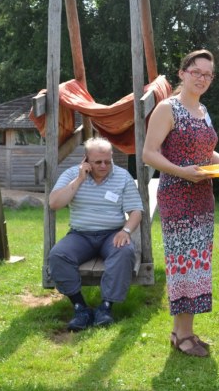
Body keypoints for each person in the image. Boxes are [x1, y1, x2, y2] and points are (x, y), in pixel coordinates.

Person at [143, 49, 219, 357]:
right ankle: (184, 335)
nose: (202, 78)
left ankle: (181, 332)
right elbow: (149, 153)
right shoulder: (167, 108)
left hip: (202, 195)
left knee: (197, 264)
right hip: (177, 194)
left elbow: (206, 153)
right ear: (182, 73)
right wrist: (182, 171)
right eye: (196, 72)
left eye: (208, 74)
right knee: (183, 265)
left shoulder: (202, 110)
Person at [48, 137, 144, 331]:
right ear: (86, 160)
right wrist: (79, 179)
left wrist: (126, 231)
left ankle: (106, 307)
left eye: (107, 161)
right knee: (58, 255)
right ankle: (80, 308)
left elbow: (136, 211)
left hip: (112, 234)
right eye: (97, 162)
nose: (103, 166)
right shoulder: (71, 174)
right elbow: (54, 203)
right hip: (80, 235)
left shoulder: (122, 176)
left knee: (125, 252)